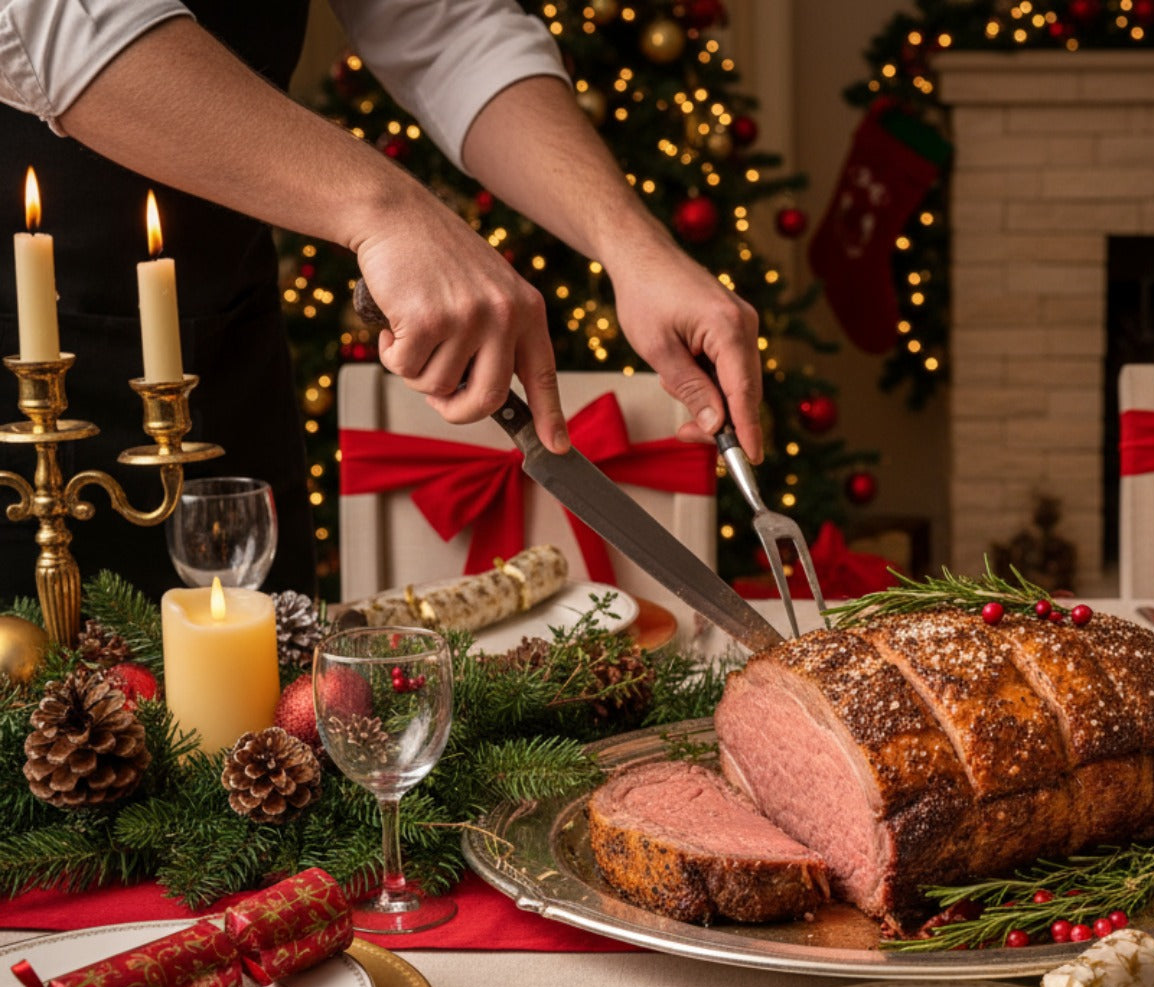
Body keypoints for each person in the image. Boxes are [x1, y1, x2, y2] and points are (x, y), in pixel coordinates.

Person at [0, 0, 763, 598]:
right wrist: (387, 211)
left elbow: (445, 22)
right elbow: (51, 18)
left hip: (218, 343)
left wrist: (633, 245)